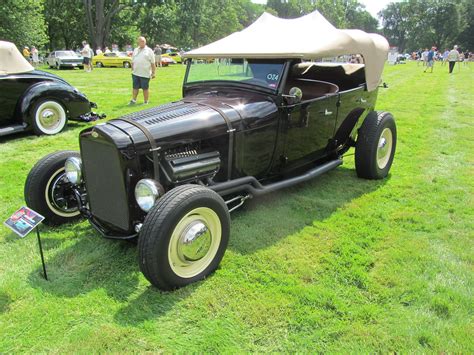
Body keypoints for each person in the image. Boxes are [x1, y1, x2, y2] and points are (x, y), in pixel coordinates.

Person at [129, 36, 156, 105]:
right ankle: (133, 100)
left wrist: (153, 73)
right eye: (140, 41)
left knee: (145, 88)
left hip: (145, 73)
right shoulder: (135, 50)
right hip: (135, 73)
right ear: (138, 42)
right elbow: (133, 60)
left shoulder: (149, 51)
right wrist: (132, 69)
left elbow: (153, 63)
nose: (142, 42)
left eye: (143, 41)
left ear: (145, 42)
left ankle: (146, 101)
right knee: (135, 87)